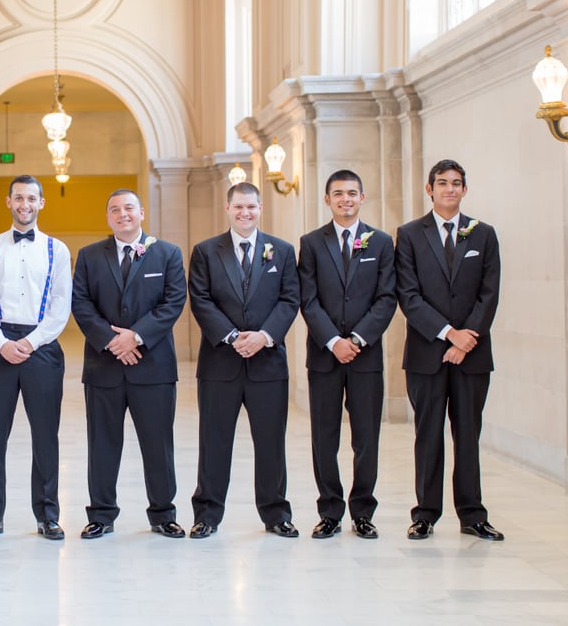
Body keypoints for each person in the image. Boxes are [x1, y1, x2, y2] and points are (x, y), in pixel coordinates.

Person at [395, 159, 503, 541]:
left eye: (456, 183)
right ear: (430, 189)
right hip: (427, 353)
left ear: (464, 189)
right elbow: (408, 295)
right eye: (442, 183)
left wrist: (467, 337)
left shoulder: (483, 235)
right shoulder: (408, 235)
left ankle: (472, 515)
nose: (449, 189)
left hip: (472, 354)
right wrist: (447, 334)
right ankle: (425, 514)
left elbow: (489, 293)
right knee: (428, 433)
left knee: (468, 434)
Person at [71, 189, 187, 540]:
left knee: (158, 443)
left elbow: (173, 302)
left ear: (142, 213)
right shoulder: (90, 256)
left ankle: (163, 514)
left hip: (153, 366)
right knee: (102, 443)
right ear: (108, 217)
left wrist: (134, 337)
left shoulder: (167, 253)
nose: (122, 214)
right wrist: (111, 341)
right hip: (104, 366)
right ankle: (101, 515)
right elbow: (81, 303)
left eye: (129, 208)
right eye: (115, 209)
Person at [187, 181, 301, 539]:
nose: (245, 213)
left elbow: (289, 299)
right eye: (238, 207)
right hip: (221, 362)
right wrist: (234, 337)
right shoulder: (206, 251)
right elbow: (201, 300)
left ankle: (275, 513)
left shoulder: (281, 251)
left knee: (270, 441)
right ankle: (207, 514)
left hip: (267, 363)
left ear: (260, 208)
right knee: (214, 441)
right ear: (228, 208)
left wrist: (264, 336)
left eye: (251, 207)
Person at [0, 175, 72, 541]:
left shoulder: (57, 250)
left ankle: (47, 515)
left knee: (45, 435)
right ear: (8, 202)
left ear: (41, 203)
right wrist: (1, 343)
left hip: (41, 347)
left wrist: (29, 343)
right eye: (18, 198)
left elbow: (61, 307)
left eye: (31, 198)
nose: (24, 204)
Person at [298, 170, 397, 540]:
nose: (345, 199)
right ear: (327, 200)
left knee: (366, 436)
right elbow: (306, 299)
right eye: (338, 194)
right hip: (324, 357)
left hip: (365, 357)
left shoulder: (382, 243)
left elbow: (387, 298)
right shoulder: (310, 243)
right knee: (324, 436)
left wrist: (356, 339)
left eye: (352, 193)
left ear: (362, 197)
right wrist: (332, 341)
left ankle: (363, 511)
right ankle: (329, 511)